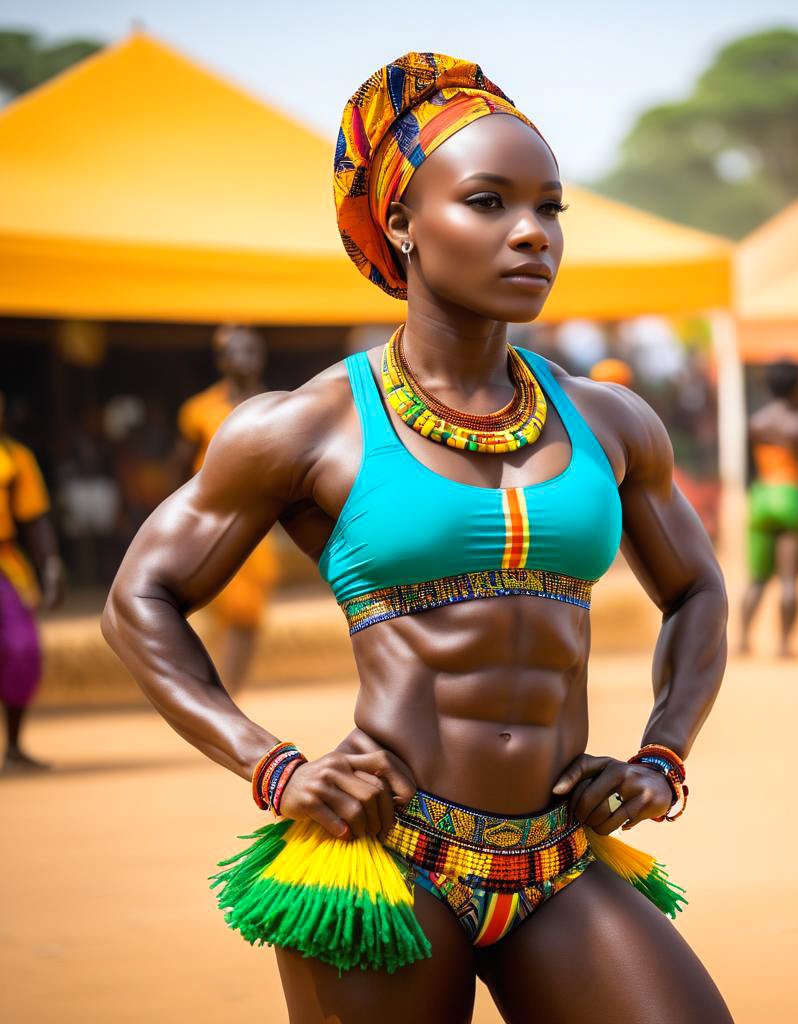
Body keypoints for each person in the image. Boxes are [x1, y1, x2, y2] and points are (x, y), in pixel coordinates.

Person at [103, 53, 732, 1023]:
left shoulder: (613, 422)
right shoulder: (306, 426)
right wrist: (273, 764)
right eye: (488, 202)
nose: (531, 234)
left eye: (549, 208)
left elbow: (695, 590)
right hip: (388, 864)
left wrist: (661, 756)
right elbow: (136, 600)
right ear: (400, 222)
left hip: (561, 859)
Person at [172, 325, 280, 693]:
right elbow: (180, 467)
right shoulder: (200, 411)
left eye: (252, 351)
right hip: (211, 523)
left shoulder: (277, 406)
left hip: (257, 523)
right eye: (236, 351)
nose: (245, 359)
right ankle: (211, 688)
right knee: (219, 608)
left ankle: (232, 688)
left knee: (249, 614)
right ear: (221, 360)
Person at [739, 360, 798, 658]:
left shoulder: (757, 422)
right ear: (795, 385)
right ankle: (784, 645)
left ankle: (742, 640)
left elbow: (750, 468)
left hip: (762, 497)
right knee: (789, 579)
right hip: (793, 496)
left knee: (757, 577)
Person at [0, 390, 65, 771]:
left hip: (7, 564)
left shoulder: (15, 458)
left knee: (22, 650)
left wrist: (52, 566)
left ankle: (14, 745)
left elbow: (35, 518)